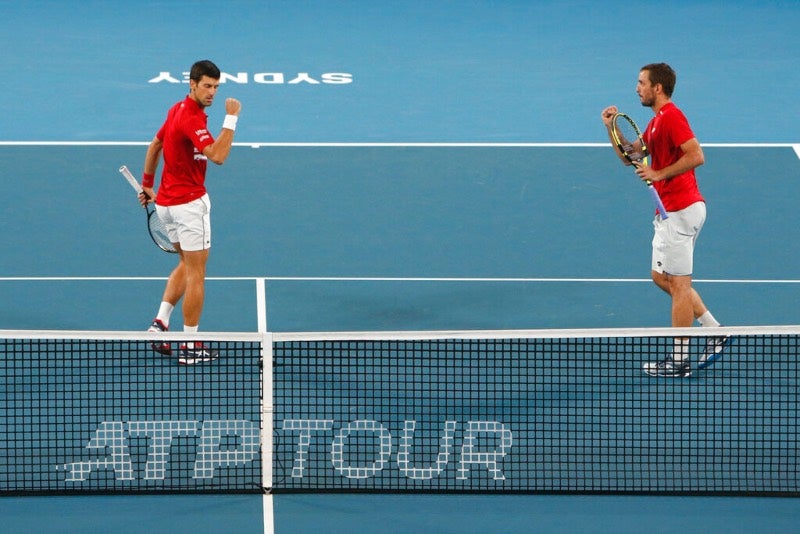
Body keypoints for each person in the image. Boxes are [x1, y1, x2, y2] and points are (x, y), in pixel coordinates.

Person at [601, 62, 728, 377]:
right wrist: (610, 128)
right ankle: (714, 330)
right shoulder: (655, 123)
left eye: (642, 83)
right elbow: (630, 156)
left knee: (680, 284)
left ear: (657, 87)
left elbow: (696, 155)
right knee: (661, 278)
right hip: (669, 212)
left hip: (681, 211)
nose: (637, 88)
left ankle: (680, 359)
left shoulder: (672, 117)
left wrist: (658, 173)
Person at [140, 59, 241, 365]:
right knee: (197, 272)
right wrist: (232, 118)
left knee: (186, 263)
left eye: (216, 87)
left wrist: (147, 185)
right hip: (188, 206)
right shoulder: (191, 119)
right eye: (207, 86)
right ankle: (190, 345)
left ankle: (159, 324)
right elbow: (219, 156)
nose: (212, 92)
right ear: (192, 84)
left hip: (167, 205)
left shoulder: (176, 110)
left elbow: (156, 143)